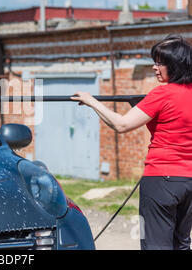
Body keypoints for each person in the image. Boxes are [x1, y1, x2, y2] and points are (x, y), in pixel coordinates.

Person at [71, 34, 192, 250]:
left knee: (155, 245)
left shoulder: (162, 94)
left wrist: (92, 101)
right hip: (188, 182)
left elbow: (122, 125)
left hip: (161, 181)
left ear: (175, 65)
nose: (155, 67)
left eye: (160, 62)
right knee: (181, 243)